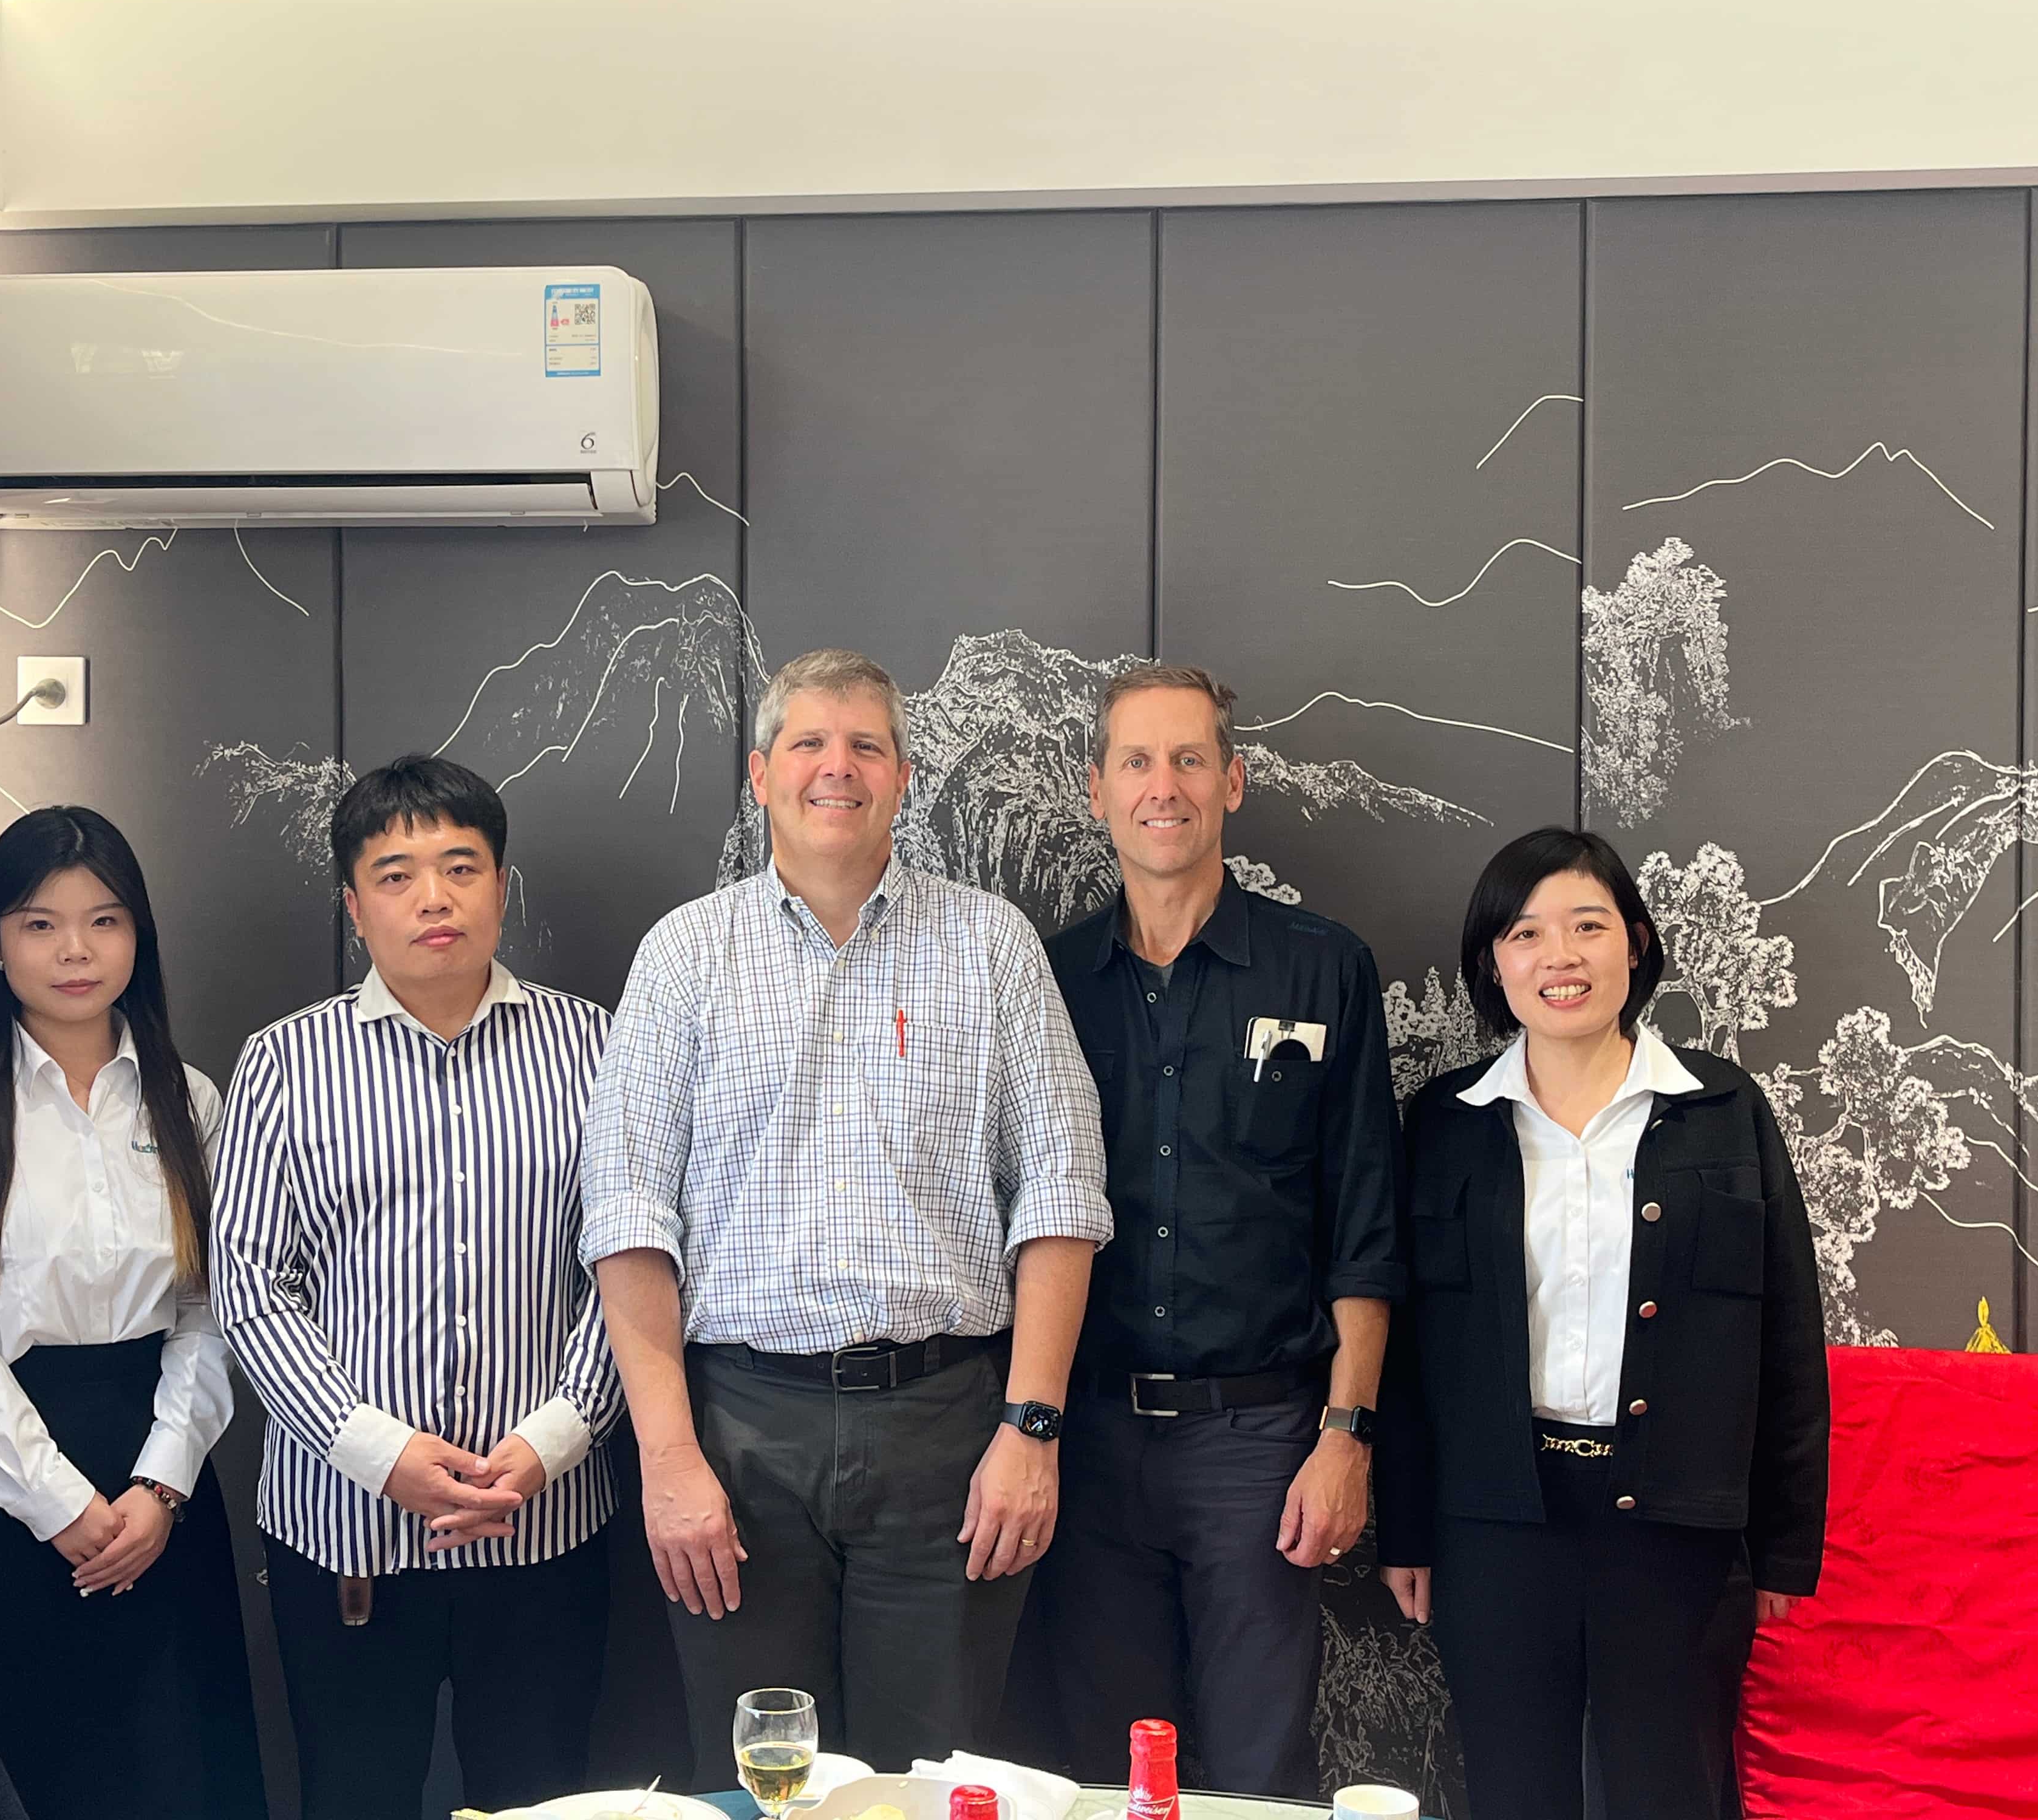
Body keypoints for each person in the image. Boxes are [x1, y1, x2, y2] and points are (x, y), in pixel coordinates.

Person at [584, 648, 1113, 1785]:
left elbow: (1063, 1195)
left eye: (867, 745)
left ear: (904, 777)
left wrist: (1032, 1430)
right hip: (738, 1438)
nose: (839, 767)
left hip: (948, 1438)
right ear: (759, 774)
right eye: (810, 744)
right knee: (764, 1784)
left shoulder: (991, 944)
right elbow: (627, 1218)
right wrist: (668, 1458)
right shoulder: (685, 955)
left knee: (929, 1783)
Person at [1377, 826, 1829, 1820]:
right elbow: (1408, 1355)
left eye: (1588, 926)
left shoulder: (1723, 1109)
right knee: (1513, 1789)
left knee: (1671, 1789)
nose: (1561, 957)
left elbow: (1788, 1336)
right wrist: (1404, 1525)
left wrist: (1785, 1546)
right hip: (1498, 1521)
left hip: (1676, 1522)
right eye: (1526, 933)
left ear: (1636, 943)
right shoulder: (1445, 1122)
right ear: (1493, 963)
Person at [210, 755, 621, 1820]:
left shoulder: (596, 1046)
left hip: (545, 1521)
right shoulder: (284, 1063)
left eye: (460, 867)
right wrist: (377, 1452)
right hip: (344, 1527)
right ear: (355, 907)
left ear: (501, 887)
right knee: (353, 1797)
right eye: (395, 875)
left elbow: (630, 1267)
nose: (433, 897)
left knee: (545, 1803)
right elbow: (248, 1285)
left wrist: (554, 1441)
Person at [1029, 664, 1404, 1796]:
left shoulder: (1323, 967)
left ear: (1233, 781)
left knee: (1257, 1774)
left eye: (1190, 759)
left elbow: (1366, 1220)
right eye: (1137, 762)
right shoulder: (1047, 980)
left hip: (1261, 1441)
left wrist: (1346, 1436)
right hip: (1088, 1441)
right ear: (1097, 790)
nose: (1165, 787)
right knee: (1107, 1773)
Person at [0, 805, 264, 1820]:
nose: (76, 951)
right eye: (40, 924)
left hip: (158, 1470)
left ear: (138, 936)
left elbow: (211, 1312)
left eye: (104, 921)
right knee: (19, 1761)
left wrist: (160, 1487)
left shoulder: (190, 1101)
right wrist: (61, 1506)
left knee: (175, 1763)